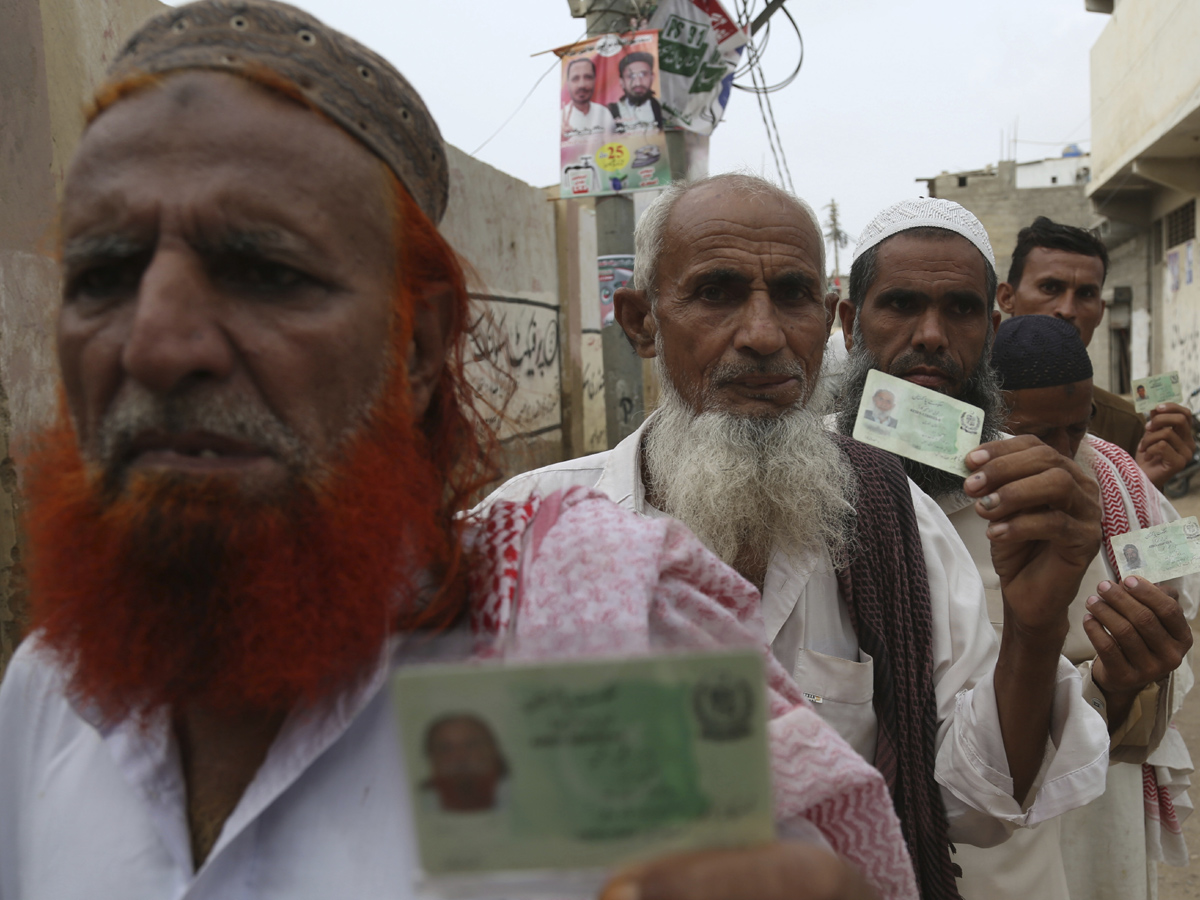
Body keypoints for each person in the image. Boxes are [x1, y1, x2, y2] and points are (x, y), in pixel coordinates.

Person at [0, 4, 914, 899]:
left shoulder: (571, 658)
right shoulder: (50, 697)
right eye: (104, 275)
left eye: (267, 273)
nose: (155, 346)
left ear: (419, 350)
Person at [480, 174, 1109, 900]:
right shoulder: (526, 530)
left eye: (792, 295)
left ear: (827, 319)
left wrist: (1033, 631)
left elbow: (975, 803)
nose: (763, 335)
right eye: (716, 292)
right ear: (641, 321)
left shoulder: (893, 517)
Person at [836, 205, 1186, 900]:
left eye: (959, 310)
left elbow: (1110, 690)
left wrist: (1122, 679)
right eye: (901, 305)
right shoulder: (803, 486)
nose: (929, 335)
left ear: (989, 330)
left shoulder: (1055, 497)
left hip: (1025, 867)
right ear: (849, 324)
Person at [969, 314, 1192, 900]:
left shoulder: (1119, 478)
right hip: (989, 773)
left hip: (1105, 769)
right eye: (1040, 433)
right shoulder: (957, 500)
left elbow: (1177, 587)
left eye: (1077, 427)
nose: (1067, 452)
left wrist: (1144, 644)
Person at [996, 216, 1194, 489]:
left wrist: (1139, 492)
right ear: (1007, 297)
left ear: (1101, 311)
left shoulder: (1124, 425)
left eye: (1085, 293)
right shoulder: (953, 407)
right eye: (1050, 288)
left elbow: (1140, 527)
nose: (1067, 309)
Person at [422, 714, 509, 813]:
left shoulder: (522, 797)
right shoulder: (413, 808)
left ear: (492, 750)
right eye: (445, 748)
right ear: (432, 758)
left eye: (471, 745)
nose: (460, 756)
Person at [608, 51, 664, 134]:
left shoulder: (663, 108)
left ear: (652, 77)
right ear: (622, 82)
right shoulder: (610, 112)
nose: (638, 82)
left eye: (643, 75)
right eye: (631, 76)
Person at [562, 56, 616, 140]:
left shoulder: (604, 113)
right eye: (575, 78)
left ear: (594, 80)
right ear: (568, 84)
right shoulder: (560, 120)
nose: (581, 85)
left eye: (587, 77)